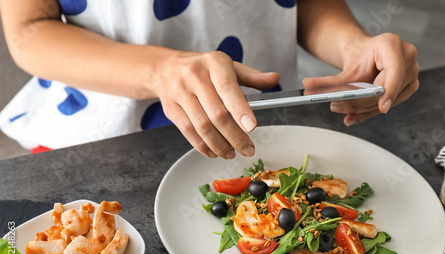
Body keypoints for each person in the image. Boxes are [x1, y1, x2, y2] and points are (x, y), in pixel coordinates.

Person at [0, 0, 419, 159]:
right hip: (103, 137)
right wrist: (161, 71)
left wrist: (353, 46)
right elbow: (29, 29)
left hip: (257, 128)